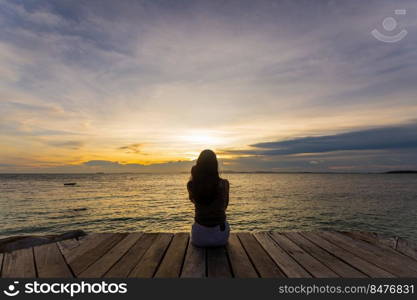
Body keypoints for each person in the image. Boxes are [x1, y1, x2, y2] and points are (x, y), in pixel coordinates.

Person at [187, 149, 230, 247]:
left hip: (199, 238)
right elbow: (224, 206)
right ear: (215, 165)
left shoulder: (191, 185)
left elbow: (193, 200)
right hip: (220, 237)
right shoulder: (224, 184)